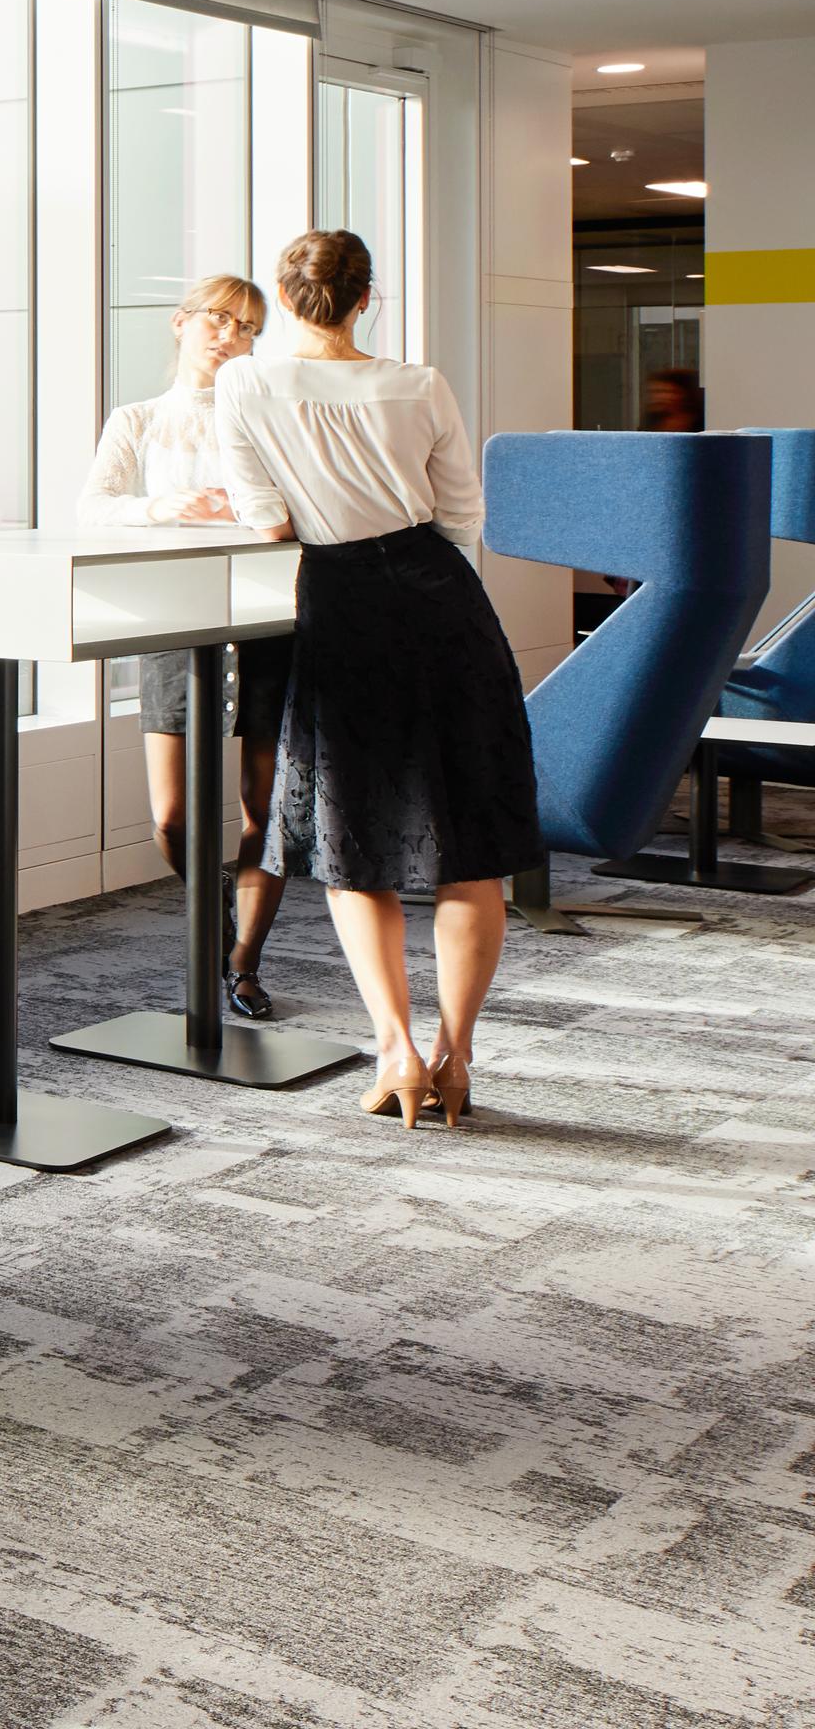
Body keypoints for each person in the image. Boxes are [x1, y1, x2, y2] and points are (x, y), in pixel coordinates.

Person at [215, 228, 540, 1129]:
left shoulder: (245, 383)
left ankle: (396, 1051)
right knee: (468, 841)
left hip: (342, 606)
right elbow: (461, 516)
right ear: (367, 299)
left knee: (355, 837)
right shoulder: (419, 383)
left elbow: (266, 520)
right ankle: (456, 1058)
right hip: (442, 603)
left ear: (284, 299)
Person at [77, 273, 292, 1017]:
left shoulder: (268, 420)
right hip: (176, 622)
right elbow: (94, 507)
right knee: (170, 816)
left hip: (267, 620)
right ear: (181, 322)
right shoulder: (137, 419)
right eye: (220, 320)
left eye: (249, 327)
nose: (232, 336)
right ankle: (220, 920)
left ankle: (244, 963)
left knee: (264, 814)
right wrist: (163, 506)